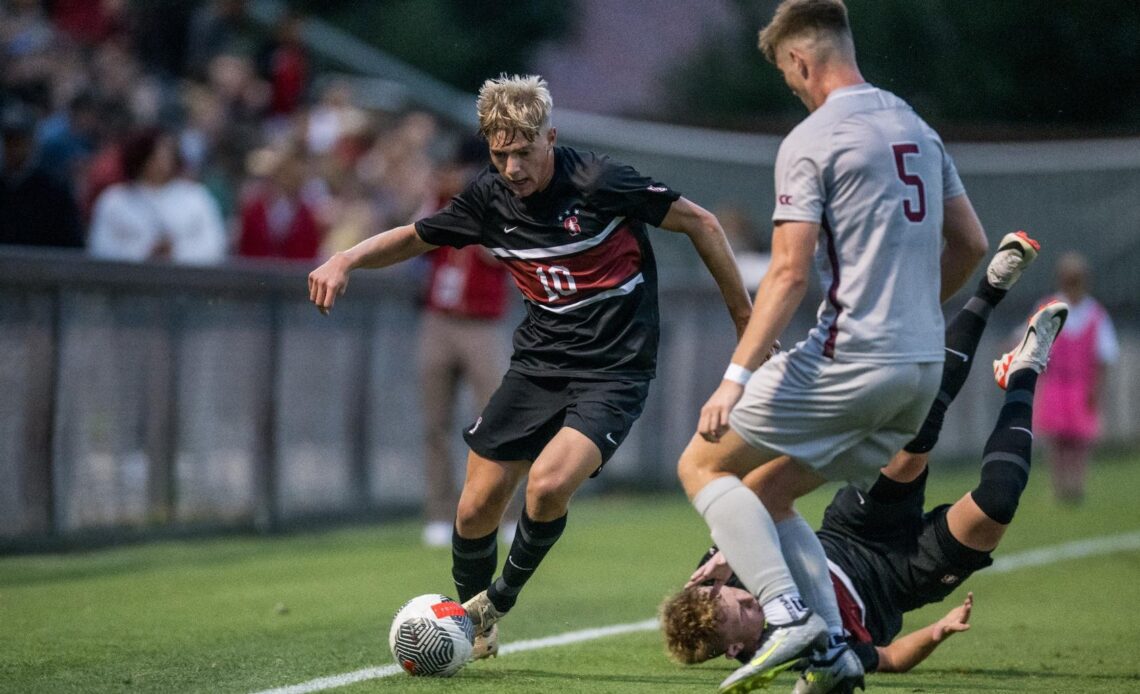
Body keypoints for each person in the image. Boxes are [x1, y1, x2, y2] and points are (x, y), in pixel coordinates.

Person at [308, 74, 752, 658]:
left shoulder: (600, 180)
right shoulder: (487, 198)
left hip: (614, 370)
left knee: (545, 487)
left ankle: (494, 603)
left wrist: (746, 321)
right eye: (500, 155)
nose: (513, 168)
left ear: (551, 137)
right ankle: (474, 630)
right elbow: (418, 236)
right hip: (538, 365)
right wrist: (347, 258)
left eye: (524, 152)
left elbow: (702, 222)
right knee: (473, 508)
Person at [674, 2, 994, 691]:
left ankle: (789, 615)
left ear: (799, 61)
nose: (792, 88)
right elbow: (970, 244)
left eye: (788, 78)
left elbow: (788, 273)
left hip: (852, 361)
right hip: (917, 373)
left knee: (701, 464)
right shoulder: (915, 124)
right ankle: (835, 658)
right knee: (768, 493)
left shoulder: (813, 137)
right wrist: (908, 315)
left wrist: (734, 377)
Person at [662, 239, 1067, 691]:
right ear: (737, 648)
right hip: (902, 582)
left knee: (914, 439)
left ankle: (990, 289)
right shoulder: (806, 657)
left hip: (854, 530)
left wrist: (723, 554)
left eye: (729, 592)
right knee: (998, 503)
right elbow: (889, 658)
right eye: (742, 610)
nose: (744, 595)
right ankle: (1023, 372)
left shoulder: (726, 571)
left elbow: (753, 500)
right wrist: (937, 632)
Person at [416, 136, 515, 548]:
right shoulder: (440, 201)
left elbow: (498, 256)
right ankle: (439, 513)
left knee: (496, 423)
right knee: (434, 424)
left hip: (481, 325)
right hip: (439, 319)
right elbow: (417, 240)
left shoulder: (501, 204)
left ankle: (503, 514)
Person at [1027, 252, 1119, 502]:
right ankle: (1058, 487)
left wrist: (1096, 390)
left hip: (1082, 384)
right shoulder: (1049, 308)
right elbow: (1030, 340)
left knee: (1080, 440)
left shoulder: (1096, 314)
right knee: (1056, 440)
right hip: (1055, 382)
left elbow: (1104, 356)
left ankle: (1076, 486)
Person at [88, 127, 228, 264]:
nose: (164, 159)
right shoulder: (115, 200)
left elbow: (214, 245)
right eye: (158, 153)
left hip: (185, 283)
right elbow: (101, 247)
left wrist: (177, 251)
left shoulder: (196, 197)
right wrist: (144, 252)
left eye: (168, 152)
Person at [0, 100, 84, 249]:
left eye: (18, 141)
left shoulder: (53, 190)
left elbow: (71, 245)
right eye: (8, 140)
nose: (12, 148)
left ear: (31, 142)